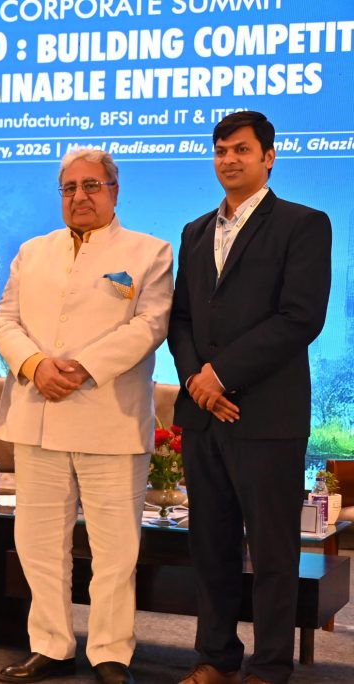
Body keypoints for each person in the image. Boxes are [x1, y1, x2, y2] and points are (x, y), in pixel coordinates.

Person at [0, 148, 173, 684]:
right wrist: (34, 365)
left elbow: (150, 325)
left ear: (114, 191)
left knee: (115, 548)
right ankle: (50, 645)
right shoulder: (32, 251)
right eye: (69, 188)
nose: (80, 197)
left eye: (92, 185)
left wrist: (82, 368)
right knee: (37, 543)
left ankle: (110, 653)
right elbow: (5, 320)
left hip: (110, 418)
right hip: (38, 412)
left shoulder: (149, 251)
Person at [169, 111, 331, 684]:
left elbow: (300, 317)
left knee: (272, 553)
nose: (229, 160)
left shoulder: (303, 224)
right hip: (204, 415)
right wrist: (198, 382)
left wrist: (222, 375)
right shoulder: (193, 231)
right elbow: (180, 319)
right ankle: (214, 658)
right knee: (210, 548)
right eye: (220, 151)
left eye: (241, 149)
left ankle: (269, 667)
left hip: (266, 416)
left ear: (269, 157)